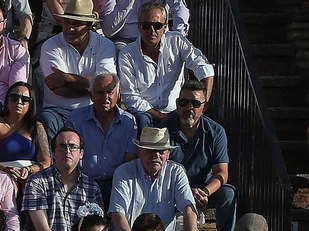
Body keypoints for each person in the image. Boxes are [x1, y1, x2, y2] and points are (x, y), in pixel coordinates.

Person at [118, 1, 213, 129]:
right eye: (146, 25)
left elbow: (204, 68)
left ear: (165, 26)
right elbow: (130, 97)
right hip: (145, 113)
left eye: (157, 25)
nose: (152, 30)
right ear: (138, 26)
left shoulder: (177, 41)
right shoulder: (127, 53)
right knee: (141, 120)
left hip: (176, 110)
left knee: (208, 127)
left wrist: (202, 103)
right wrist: (160, 116)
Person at [20, 126, 104, 231]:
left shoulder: (92, 187)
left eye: (73, 146)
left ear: (81, 153)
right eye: (62, 146)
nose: (67, 151)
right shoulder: (37, 181)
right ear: (53, 152)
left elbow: (99, 228)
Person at [109, 124, 196, 231]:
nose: (156, 155)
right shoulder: (123, 172)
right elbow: (118, 214)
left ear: (168, 154)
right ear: (139, 151)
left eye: (161, 152)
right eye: (150, 150)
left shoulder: (176, 172)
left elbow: (189, 208)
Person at [163, 80, 234, 231]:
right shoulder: (163, 130)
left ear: (204, 107)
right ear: (177, 104)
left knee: (228, 194)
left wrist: (205, 193)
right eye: (183, 102)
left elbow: (222, 173)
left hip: (204, 190)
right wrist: (185, 193)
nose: (189, 108)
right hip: (172, 191)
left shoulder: (216, 132)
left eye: (195, 103)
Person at [37, 0, 116, 139]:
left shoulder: (105, 45)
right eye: (67, 22)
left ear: (90, 25)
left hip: (94, 109)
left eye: (77, 23)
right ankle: (49, 161)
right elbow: (59, 90)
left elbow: (107, 84)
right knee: (46, 120)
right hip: (58, 110)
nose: (70, 28)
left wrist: (68, 78)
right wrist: (95, 90)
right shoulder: (50, 45)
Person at [68, 72, 135, 200]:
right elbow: (71, 157)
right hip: (84, 185)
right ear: (91, 96)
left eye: (110, 92)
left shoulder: (129, 122)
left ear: (118, 94)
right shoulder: (76, 119)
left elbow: (129, 161)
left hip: (118, 184)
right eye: (100, 92)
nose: (105, 97)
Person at [0, 79, 45, 189]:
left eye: (25, 99)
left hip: (31, 175)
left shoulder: (37, 127)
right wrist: (6, 170)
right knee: (10, 186)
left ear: (31, 104)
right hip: (3, 174)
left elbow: (46, 162)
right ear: (7, 99)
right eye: (14, 97)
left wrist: (29, 170)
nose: (19, 102)